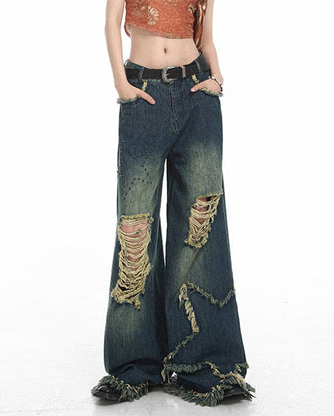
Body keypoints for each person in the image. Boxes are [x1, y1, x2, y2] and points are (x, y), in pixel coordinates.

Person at [90, 0, 256, 407]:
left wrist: (217, 78)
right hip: (142, 94)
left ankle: (207, 363)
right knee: (135, 226)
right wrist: (121, 84)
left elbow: (206, 38)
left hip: (197, 93)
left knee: (201, 224)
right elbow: (111, 22)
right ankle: (134, 364)